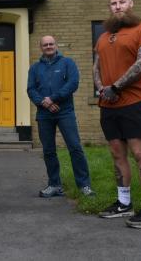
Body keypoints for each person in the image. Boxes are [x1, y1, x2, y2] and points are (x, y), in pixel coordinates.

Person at [93, 0, 141, 229]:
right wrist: (102, 88)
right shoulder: (103, 37)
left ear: (130, 4)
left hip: (135, 102)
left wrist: (117, 86)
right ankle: (124, 203)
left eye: (122, 2)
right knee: (117, 154)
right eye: (113, 3)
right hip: (108, 104)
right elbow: (97, 66)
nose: (118, 6)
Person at [28, 35, 95, 198]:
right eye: (45, 45)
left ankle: (84, 185)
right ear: (41, 48)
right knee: (49, 150)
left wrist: (53, 98)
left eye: (51, 44)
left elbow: (73, 83)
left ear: (56, 45)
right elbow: (31, 89)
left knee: (75, 147)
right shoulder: (35, 68)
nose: (49, 46)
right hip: (44, 114)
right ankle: (54, 185)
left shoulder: (68, 63)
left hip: (65, 112)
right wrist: (44, 102)